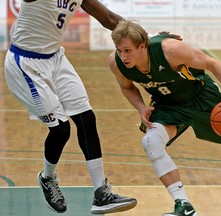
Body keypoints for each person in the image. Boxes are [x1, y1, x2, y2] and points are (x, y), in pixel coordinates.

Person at [108, 20, 221, 216]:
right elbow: (126, 87)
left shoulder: (170, 50)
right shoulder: (117, 63)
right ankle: (184, 205)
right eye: (119, 50)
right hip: (167, 104)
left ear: (143, 45)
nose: (123, 56)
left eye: (128, 50)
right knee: (151, 142)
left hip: (201, 98)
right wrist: (141, 107)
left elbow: (212, 63)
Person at [4, 0, 138, 214]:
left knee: (86, 118)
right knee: (61, 130)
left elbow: (110, 20)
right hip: (25, 64)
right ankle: (48, 177)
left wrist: (151, 38)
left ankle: (101, 193)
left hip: (55, 58)